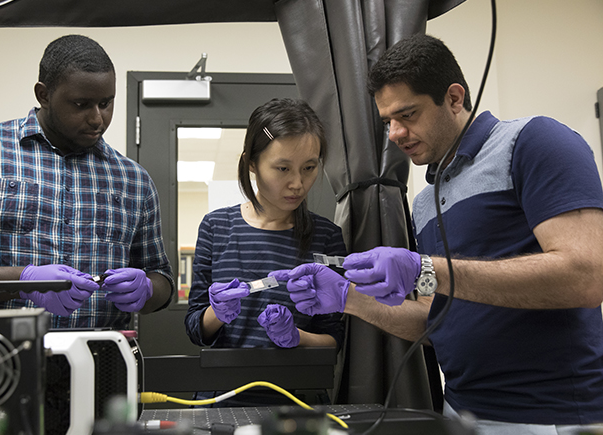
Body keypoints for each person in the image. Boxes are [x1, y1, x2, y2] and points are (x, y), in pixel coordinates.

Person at [271, 34, 603, 433]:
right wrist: (348, 299)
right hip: (462, 413)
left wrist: (429, 268)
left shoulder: (533, 142)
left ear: (454, 98)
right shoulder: (426, 201)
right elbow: (436, 323)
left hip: (551, 416)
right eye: (387, 122)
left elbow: (588, 275)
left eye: (407, 115)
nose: (394, 133)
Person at [0, 34, 174, 329]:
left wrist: (148, 289)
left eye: (106, 103)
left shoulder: (133, 180)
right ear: (44, 95)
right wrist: (23, 280)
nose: (97, 119)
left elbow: (161, 278)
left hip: (100, 362)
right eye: (81, 104)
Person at [184, 98, 347, 406]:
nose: (297, 183)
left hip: (298, 401)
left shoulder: (326, 237)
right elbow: (195, 329)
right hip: (221, 396)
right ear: (251, 163)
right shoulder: (216, 227)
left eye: (309, 168)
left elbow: (334, 340)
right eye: (282, 168)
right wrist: (216, 313)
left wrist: (296, 338)